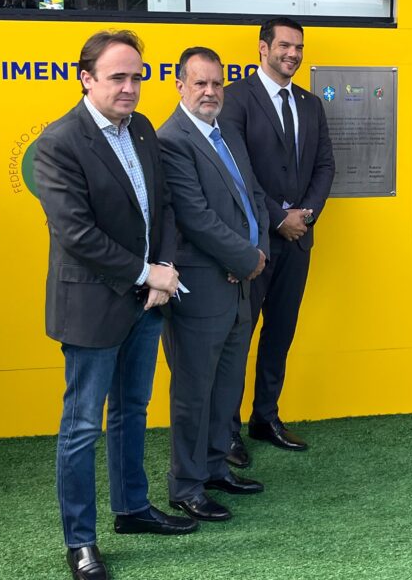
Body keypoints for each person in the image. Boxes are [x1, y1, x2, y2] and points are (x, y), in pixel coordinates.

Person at [34, 30, 198, 580]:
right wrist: (147, 272)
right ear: (86, 78)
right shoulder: (60, 142)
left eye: (137, 76)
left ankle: (132, 509)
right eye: (117, 77)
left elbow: (164, 208)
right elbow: (77, 234)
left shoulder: (143, 129)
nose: (129, 87)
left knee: (132, 410)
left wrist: (163, 269)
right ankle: (81, 542)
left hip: (147, 301)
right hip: (92, 306)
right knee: (82, 425)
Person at [157, 47, 269, 522]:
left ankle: (215, 468)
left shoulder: (226, 132)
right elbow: (195, 217)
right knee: (194, 392)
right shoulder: (171, 140)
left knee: (226, 387)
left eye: (217, 83)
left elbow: (254, 196)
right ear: (180, 86)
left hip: (239, 283)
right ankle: (186, 485)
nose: (210, 92)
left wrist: (256, 252)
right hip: (203, 289)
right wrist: (245, 258)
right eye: (200, 83)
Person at [219, 16, 335, 461]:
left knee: (280, 333)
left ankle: (265, 417)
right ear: (263, 48)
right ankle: (226, 431)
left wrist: (306, 215)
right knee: (238, 338)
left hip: (298, 240)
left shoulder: (310, 104)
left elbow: (325, 165)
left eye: (299, 47)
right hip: (253, 243)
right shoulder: (235, 99)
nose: (293, 54)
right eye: (285, 45)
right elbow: (237, 171)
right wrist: (277, 217)